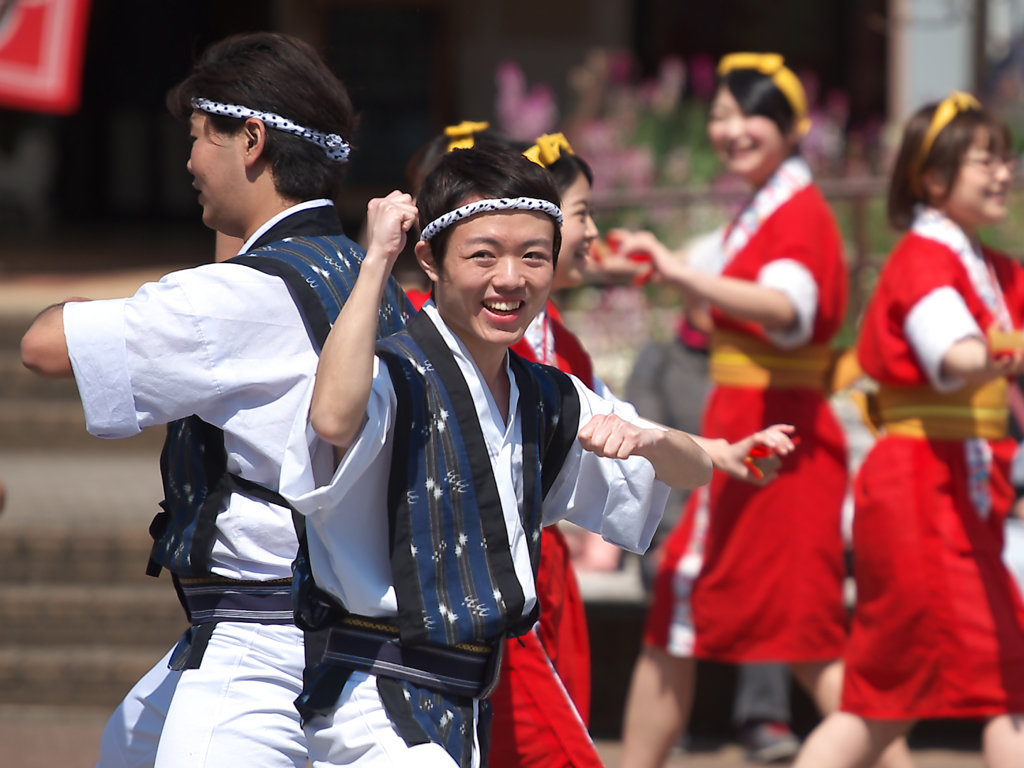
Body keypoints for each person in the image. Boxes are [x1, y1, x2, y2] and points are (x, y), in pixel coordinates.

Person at [20, 32, 410, 768]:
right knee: (126, 745)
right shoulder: (361, 276)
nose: (191, 161)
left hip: (261, 647)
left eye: (200, 137)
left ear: (252, 141)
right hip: (340, 631)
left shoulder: (235, 298)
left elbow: (41, 344)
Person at [276, 142, 727, 768]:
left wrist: (653, 441)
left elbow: (693, 469)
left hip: (468, 705)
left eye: (533, 256)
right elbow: (331, 417)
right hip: (373, 703)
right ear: (429, 258)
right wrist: (376, 259)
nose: (510, 278)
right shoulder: (391, 372)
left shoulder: (544, 393)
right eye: (483, 254)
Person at [617, 52, 912, 768]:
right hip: (769, 437)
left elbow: (788, 306)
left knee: (766, 624)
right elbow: (703, 271)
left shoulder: (795, 213)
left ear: (787, 128)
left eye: (749, 115)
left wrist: (685, 272)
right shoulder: (766, 208)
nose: (730, 129)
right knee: (735, 622)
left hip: (776, 445)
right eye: (719, 115)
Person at [793, 92, 1024, 768]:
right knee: (914, 694)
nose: (1004, 172)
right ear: (932, 178)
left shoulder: (990, 267)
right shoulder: (924, 260)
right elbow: (954, 360)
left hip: (954, 491)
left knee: (894, 700)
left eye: (1005, 158)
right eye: (986, 160)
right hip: (924, 496)